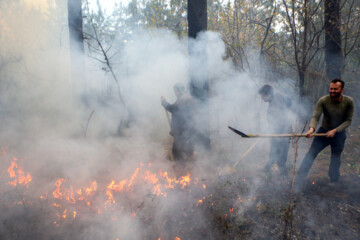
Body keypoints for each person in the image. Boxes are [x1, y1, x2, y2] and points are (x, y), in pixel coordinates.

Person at [297, 78, 354, 183]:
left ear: (342, 90)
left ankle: (334, 180)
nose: (332, 91)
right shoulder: (323, 100)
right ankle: (299, 178)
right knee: (311, 153)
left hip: (339, 134)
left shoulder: (349, 102)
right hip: (324, 131)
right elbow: (315, 117)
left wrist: (335, 130)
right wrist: (311, 129)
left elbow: (348, 121)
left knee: (335, 157)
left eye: (335, 89)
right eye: (331, 89)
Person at [258, 84, 293, 176]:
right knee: (273, 150)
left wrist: (273, 128)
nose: (262, 98)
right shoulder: (274, 100)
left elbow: (281, 119)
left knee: (281, 156)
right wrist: (270, 129)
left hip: (283, 133)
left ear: (268, 95)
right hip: (276, 132)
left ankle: (284, 177)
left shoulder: (277, 101)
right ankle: (268, 167)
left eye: (262, 96)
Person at [161, 83, 194, 165]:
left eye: (175, 91)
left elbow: (174, 109)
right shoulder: (185, 97)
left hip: (182, 129)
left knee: (176, 151)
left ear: (178, 91)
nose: (175, 93)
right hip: (183, 129)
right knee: (180, 148)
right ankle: (189, 154)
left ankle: (181, 169)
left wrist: (164, 103)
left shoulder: (183, 99)